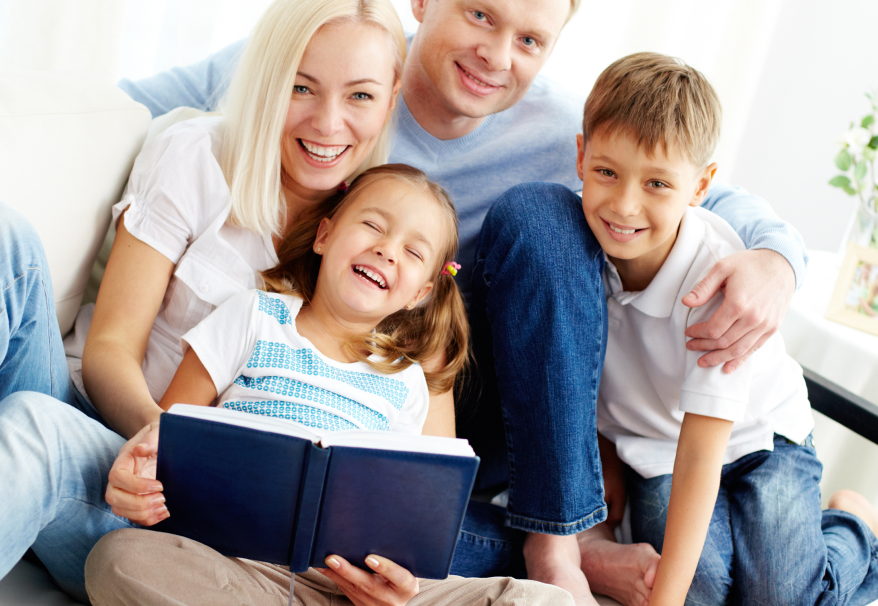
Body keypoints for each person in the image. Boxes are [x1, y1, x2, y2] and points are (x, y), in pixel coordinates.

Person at [114, 1, 810, 604]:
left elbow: (695, 187)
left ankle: (556, 544)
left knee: (541, 219)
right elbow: (133, 101)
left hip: (456, 375)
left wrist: (778, 260)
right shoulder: (342, 64)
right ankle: (516, 553)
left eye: (530, 40)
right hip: (323, 371)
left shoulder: (570, 133)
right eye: (480, 14)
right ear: (424, 2)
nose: (498, 55)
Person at [0, 0, 411, 604]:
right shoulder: (198, 155)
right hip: (105, 420)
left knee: (37, 428)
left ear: (391, 99)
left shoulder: (378, 242)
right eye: (301, 86)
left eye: (359, 96)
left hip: (154, 519)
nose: (328, 122)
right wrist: (162, 437)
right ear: (267, 80)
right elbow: (108, 350)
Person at [86, 164, 571, 606]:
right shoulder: (254, 316)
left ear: (421, 293)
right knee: (119, 558)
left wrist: (400, 588)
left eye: (413, 251)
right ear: (324, 235)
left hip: (351, 589)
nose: (386, 249)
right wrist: (140, 481)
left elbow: (416, 527)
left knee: (543, 601)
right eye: (373, 226)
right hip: (234, 572)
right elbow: (167, 441)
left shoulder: (407, 381)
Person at [573, 52, 878, 606]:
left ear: (700, 186)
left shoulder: (711, 276)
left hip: (763, 438)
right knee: (705, 590)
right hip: (657, 454)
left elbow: (702, 452)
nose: (624, 204)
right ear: (580, 156)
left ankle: (854, 527)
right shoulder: (571, 254)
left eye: (658, 184)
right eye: (607, 172)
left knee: (780, 597)